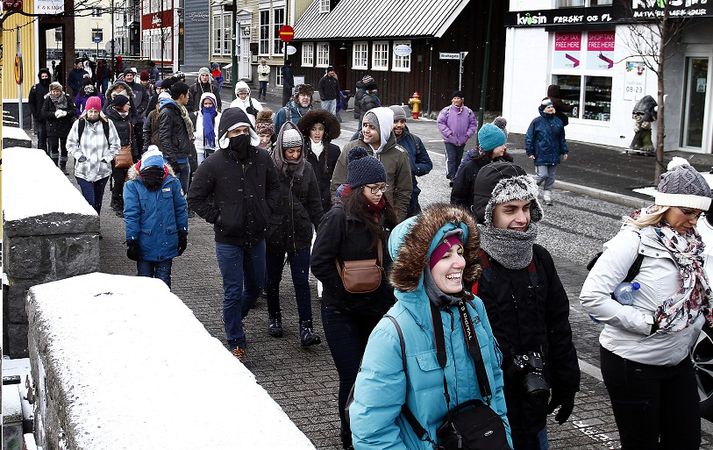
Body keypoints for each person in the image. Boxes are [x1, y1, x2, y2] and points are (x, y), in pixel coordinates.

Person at [349, 203, 512, 449]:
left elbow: (495, 387)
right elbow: (371, 433)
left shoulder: (474, 308)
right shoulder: (392, 333)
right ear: (419, 267)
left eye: (459, 252)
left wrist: (504, 439)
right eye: (445, 256)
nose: (459, 263)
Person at [581, 160, 713, 450]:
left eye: (700, 213)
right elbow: (591, 296)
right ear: (665, 206)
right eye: (687, 212)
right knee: (641, 443)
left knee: (686, 441)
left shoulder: (693, 244)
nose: (694, 220)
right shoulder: (633, 240)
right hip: (632, 363)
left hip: (677, 361)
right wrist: (646, 323)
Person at [472, 161, 580, 449]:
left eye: (527, 208)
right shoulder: (467, 262)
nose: (522, 218)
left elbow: (558, 324)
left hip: (533, 397)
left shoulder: (539, 258)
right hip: (485, 402)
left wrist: (566, 382)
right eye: (510, 209)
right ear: (488, 212)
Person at [311, 147, 398, 449]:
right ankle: (349, 438)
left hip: (376, 310)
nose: (379, 194)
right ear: (359, 189)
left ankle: (371, 431)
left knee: (375, 377)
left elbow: (393, 259)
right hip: (340, 313)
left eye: (382, 187)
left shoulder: (386, 214)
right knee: (352, 377)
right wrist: (343, 290)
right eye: (373, 189)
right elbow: (319, 262)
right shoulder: (338, 217)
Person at [187, 107, 280, 361]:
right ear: (226, 135)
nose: (239, 135)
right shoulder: (214, 163)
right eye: (234, 131)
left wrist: (266, 211)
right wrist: (219, 217)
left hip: (257, 235)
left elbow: (274, 188)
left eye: (243, 130)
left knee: (255, 285)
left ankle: (233, 317)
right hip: (228, 239)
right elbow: (195, 196)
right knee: (232, 290)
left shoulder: (262, 158)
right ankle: (236, 340)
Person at [264, 123, 324, 345]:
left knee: (301, 281)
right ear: (281, 149)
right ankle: (274, 317)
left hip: (299, 232)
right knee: (273, 279)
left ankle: (306, 327)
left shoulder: (306, 169)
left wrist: (322, 229)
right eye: (290, 151)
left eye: (298, 150)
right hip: (274, 233)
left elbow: (315, 204)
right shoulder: (270, 167)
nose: (295, 155)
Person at [331, 107, 412, 222]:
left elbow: (404, 191)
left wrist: (395, 219)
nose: (366, 130)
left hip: (384, 217)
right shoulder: (351, 148)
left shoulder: (399, 154)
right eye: (364, 125)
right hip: (353, 216)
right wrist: (341, 212)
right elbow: (337, 184)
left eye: (372, 127)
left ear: (384, 129)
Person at [124, 147, 188, 289]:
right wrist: (132, 240)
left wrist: (183, 232)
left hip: (167, 241)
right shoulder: (132, 186)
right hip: (144, 243)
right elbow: (131, 214)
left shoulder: (173, 183)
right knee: (144, 282)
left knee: (163, 283)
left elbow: (181, 209)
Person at [66, 96, 120, 214]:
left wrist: (107, 159)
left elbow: (115, 144)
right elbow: (70, 144)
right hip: (83, 169)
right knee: (89, 201)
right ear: (86, 110)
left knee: (98, 201)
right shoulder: (79, 124)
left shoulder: (107, 124)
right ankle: (91, 225)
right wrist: (79, 156)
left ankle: (96, 226)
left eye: (96, 111)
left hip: (102, 170)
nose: (93, 114)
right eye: (91, 111)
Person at [450, 122, 510, 211]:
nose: (504, 147)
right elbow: (457, 198)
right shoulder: (469, 167)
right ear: (491, 147)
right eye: (501, 144)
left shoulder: (504, 163)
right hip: (474, 216)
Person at [389, 105, 432, 217]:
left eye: (402, 121)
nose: (399, 125)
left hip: (411, 196)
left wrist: (413, 168)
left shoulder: (414, 140)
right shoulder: (381, 140)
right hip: (388, 195)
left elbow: (427, 164)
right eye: (395, 121)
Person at [526, 98, 568, 206]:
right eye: (548, 107)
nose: (550, 109)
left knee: (551, 177)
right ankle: (527, 187)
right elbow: (529, 137)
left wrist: (564, 151)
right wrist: (530, 151)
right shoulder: (537, 122)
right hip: (540, 153)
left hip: (554, 154)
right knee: (542, 175)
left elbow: (562, 138)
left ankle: (547, 196)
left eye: (552, 107)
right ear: (543, 109)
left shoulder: (558, 122)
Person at [297, 110, 341, 213]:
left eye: (320, 129)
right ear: (308, 131)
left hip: (326, 202)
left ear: (325, 131)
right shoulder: (301, 150)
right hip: (305, 203)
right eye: (313, 129)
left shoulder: (334, 150)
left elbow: (338, 177)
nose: (317, 133)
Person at [159, 81, 195, 195]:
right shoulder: (168, 111)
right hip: (174, 159)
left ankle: (183, 211)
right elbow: (164, 138)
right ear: (181, 96)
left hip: (183, 156)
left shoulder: (181, 110)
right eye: (187, 95)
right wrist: (172, 160)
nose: (189, 97)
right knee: (173, 193)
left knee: (183, 192)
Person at [105, 94, 136, 216]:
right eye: (127, 104)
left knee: (127, 178)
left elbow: (131, 136)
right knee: (118, 179)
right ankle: (116, 202)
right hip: (115, 152)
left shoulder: (127, 117)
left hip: (127, 151)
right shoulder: (109, 119)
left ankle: (123, 201)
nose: (129, 106)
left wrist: (135, 152)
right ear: (121, 105)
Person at [437, 90, 477, 182]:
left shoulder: (468, 112)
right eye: (454, 98)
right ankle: (451, 177)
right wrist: (448, 133)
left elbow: (473, 124)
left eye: (458, 98)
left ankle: (457, 176)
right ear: (452, 100)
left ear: (462, 99)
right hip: (449, 140)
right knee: (451, 158)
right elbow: (440, 122)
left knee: (459, 159)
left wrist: (468, 134)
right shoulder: (446, 111)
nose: (456, 100)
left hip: (462, 140)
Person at [41, 81, 76, 173]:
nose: (56, 93)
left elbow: (73, 110)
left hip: (65, 126)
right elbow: (44, 113)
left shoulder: (67, 98)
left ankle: (63, 166)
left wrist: (66, 113)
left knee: (65, 147)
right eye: (53, 91)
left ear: (61, 91)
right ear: (51, 92)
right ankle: (55, 166)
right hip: (53, 127)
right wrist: (54, 114)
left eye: (57, 91)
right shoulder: (48, 99)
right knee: (54, 146)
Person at [192, 92, 221, 165]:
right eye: (205, 104)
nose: (208, 106)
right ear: (202, 104)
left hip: (216, 149)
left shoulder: (219, 116)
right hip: (199, 148)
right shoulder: (196, 116)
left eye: (210, 103)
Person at [28, 68, 52, 154]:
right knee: (41, 139)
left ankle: (52, 158)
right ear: (40, 77)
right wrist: (35, 114)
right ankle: (42, 156)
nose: (44, 78)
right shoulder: (35, 88)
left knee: (51, 140)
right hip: (40, 118)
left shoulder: (52, 88)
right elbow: (31, 102)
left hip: (51, 118)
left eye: (46, 76)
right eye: (43, 76)